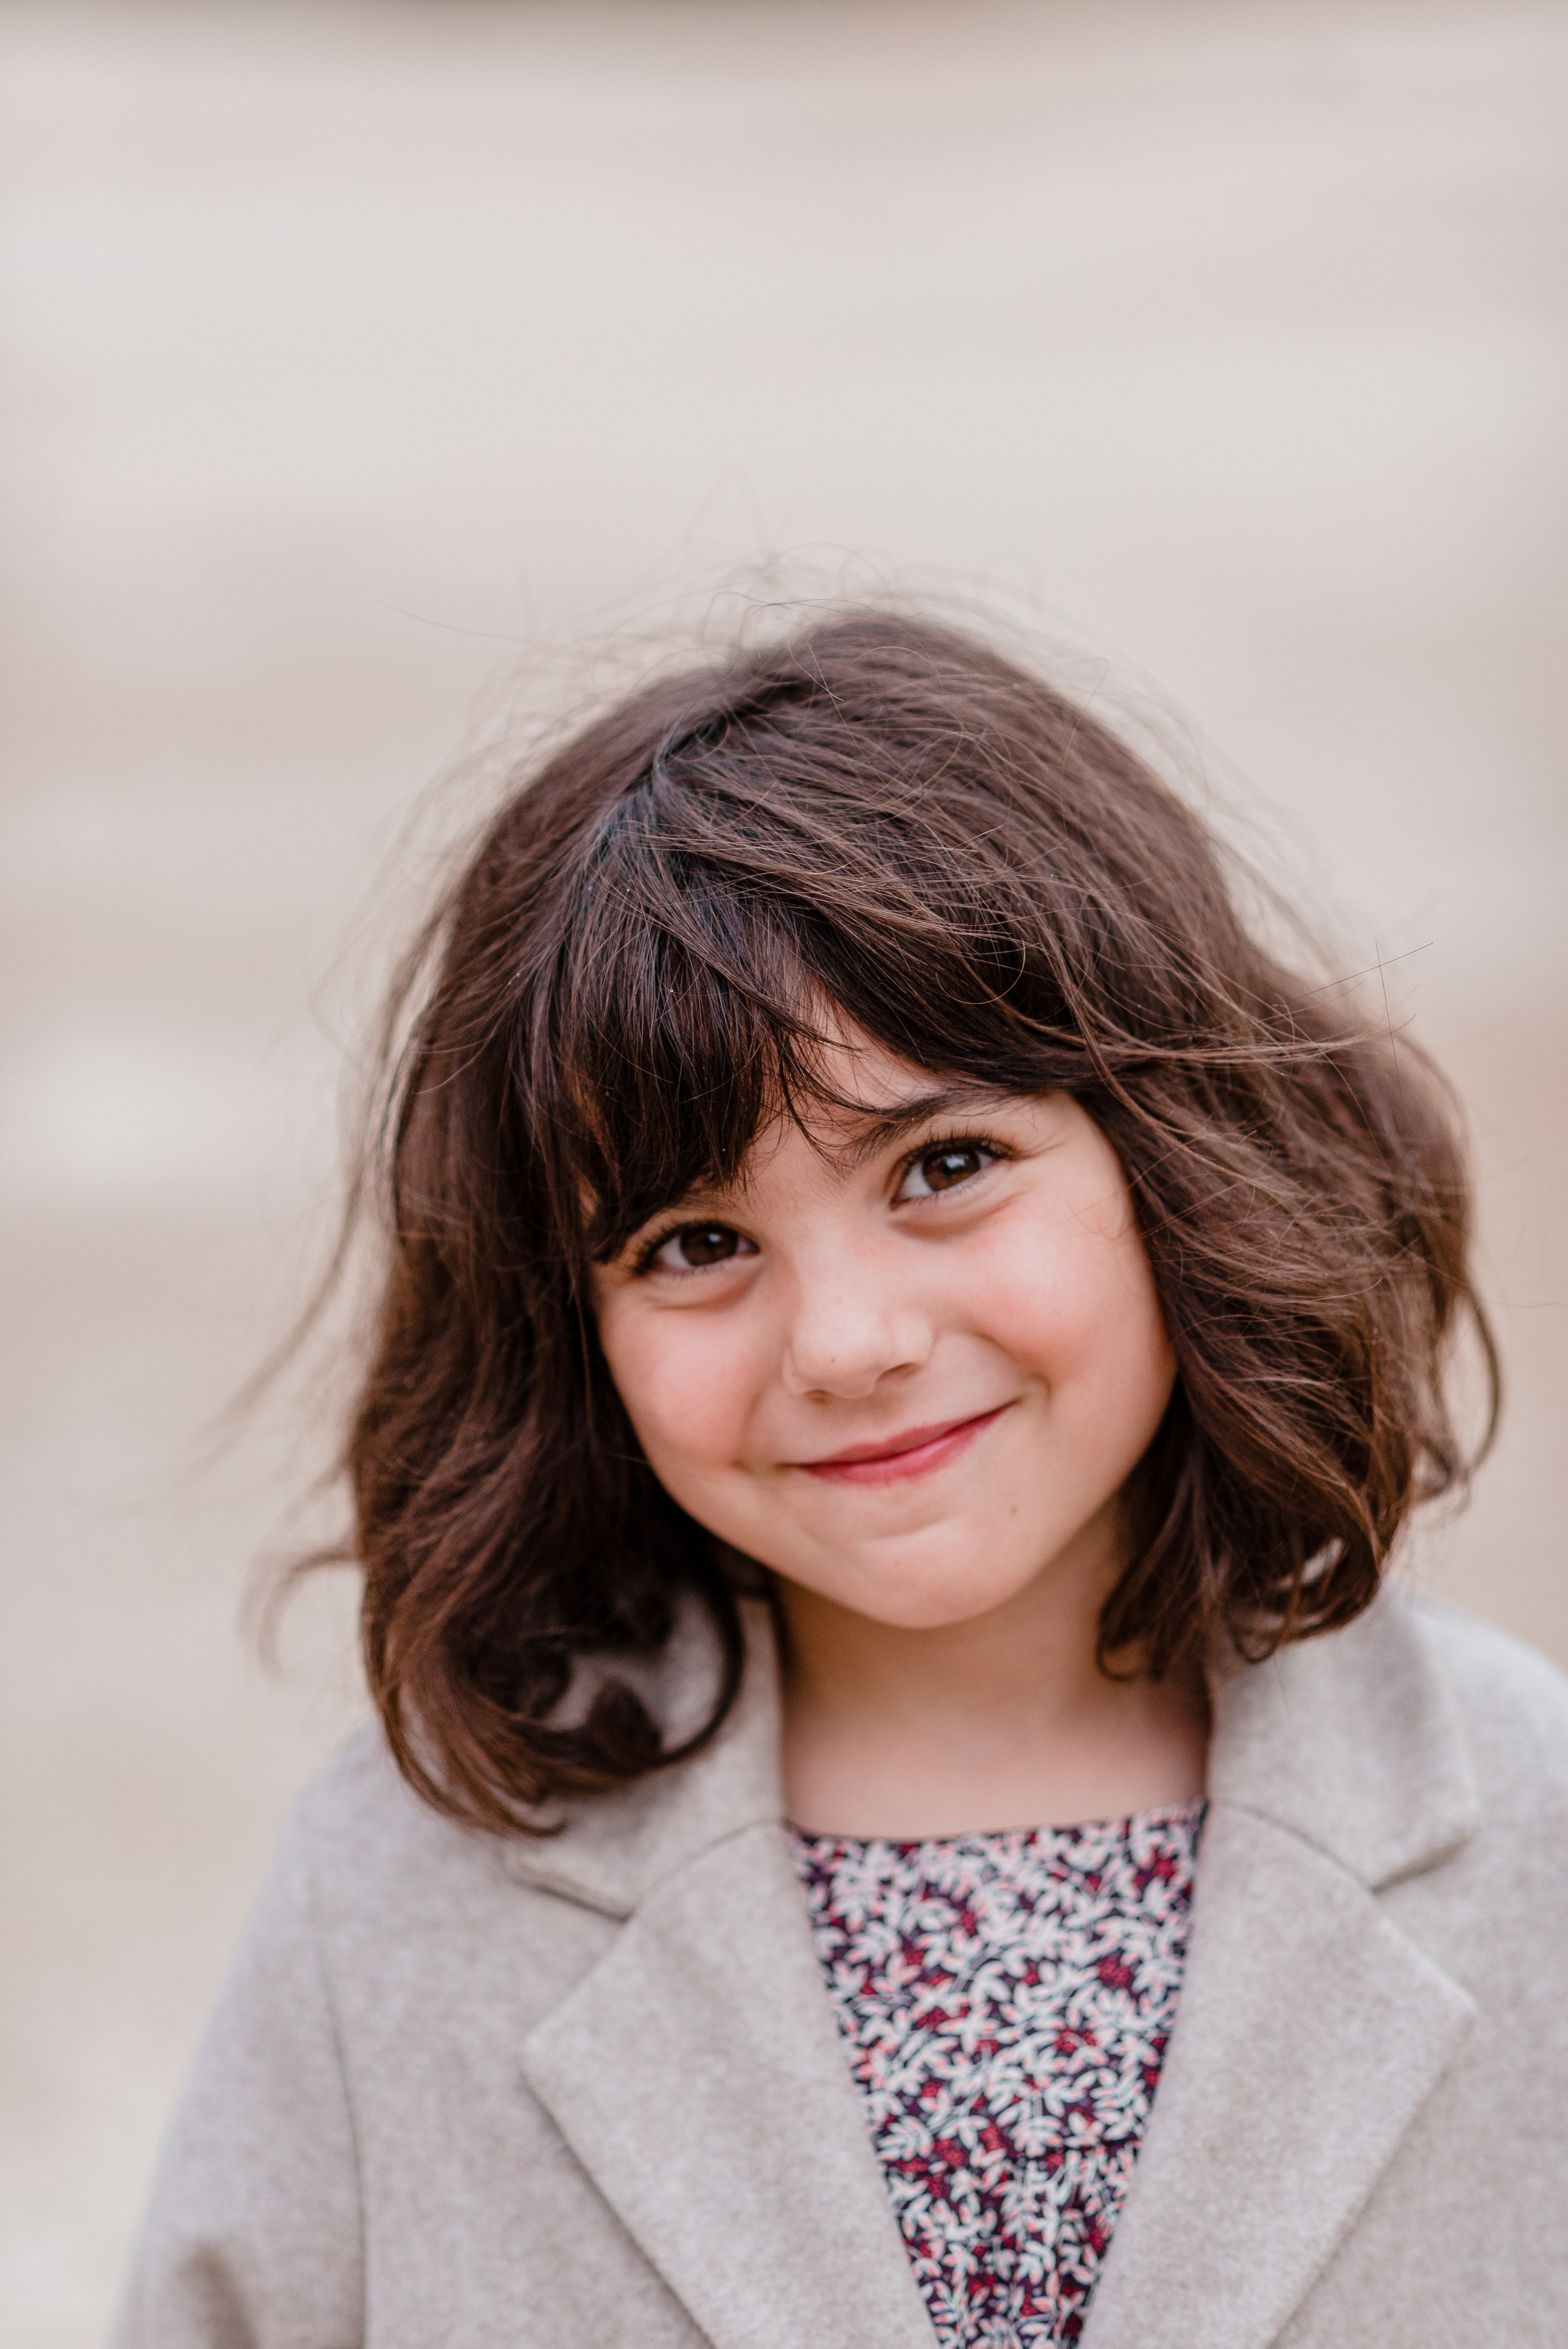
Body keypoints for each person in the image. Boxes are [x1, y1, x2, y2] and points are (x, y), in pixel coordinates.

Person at [113, 611, 1568, 2349]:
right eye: (695, 1240)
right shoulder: (402, 1893)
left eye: (947, 1163)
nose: (847, 1339)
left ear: (1180, 1155)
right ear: (564, 1329)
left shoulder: (1529, 1829)